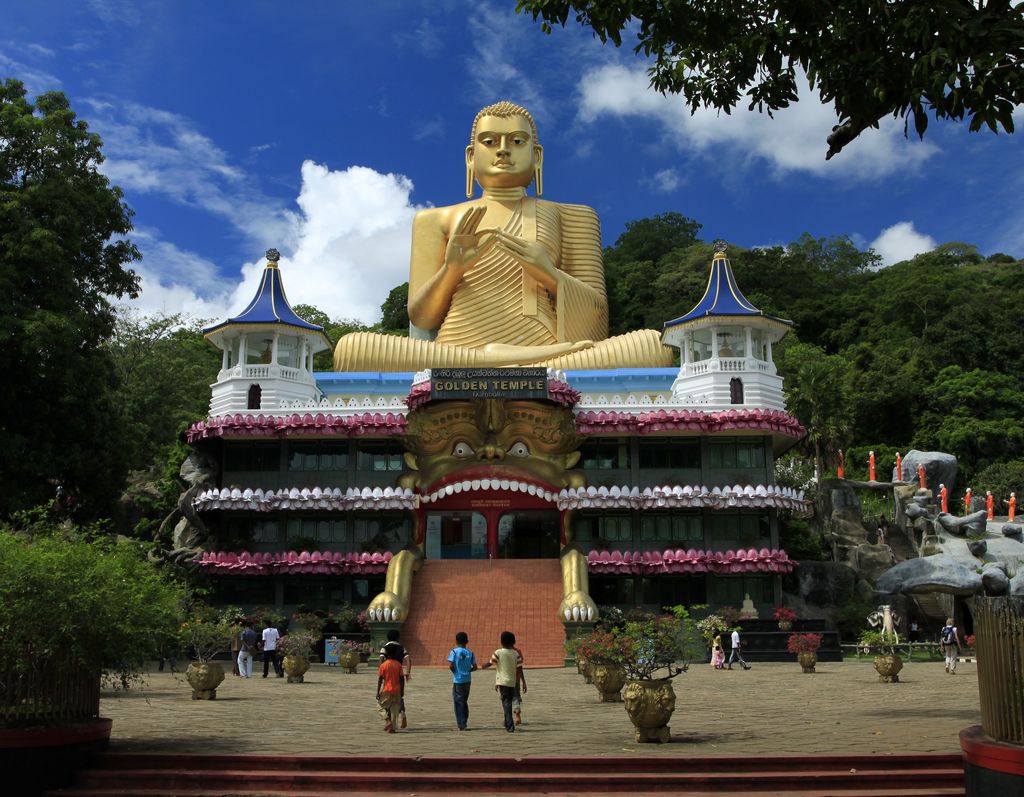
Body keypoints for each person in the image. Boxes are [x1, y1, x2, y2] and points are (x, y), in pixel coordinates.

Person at [332, 101, 672, 372]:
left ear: (536, 156)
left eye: (517, 141)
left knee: (654, 346)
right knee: (351, 349)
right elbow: (422, 318)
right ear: (471, 156)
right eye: (490, 141)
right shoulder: (435, 219)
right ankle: (487, 364)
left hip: (549, 354)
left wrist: (551, 276)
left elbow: (596, 320)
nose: (503, 150)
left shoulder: (573, 216)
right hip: (454, 353)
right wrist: (451, 270)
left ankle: (493, 365)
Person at [481, 631, 526, 733]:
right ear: (513, 642)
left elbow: (491, 663)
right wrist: (520, 682)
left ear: (501, 642)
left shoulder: (498, 652)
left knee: (506, 703)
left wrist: (483, 666)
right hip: (513, 682)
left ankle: (510, 725)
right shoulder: (516, 654)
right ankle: (507, 722)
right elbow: (519, 669)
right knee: (512, 700)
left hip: (502, 682)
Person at [379, 629, 412, 729]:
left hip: (388, 675)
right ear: (398, 638)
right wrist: (408, 672)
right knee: (399, 696)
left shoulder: (385, 648)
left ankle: (387, 720)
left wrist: (382, 671)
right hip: (399, 673)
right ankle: (402, 712)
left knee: (386, 699)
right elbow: (408, 659)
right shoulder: (402, 648)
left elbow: (381, 660)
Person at [447, 631, 478, 731]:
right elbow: (475, 667)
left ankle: (462, 723)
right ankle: (464, 720)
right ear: (467, 641)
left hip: (458, 680)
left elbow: (451, 665)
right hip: (467, 680)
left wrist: (456, 672)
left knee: (458, 702)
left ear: (456, 641)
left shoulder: (454, 652)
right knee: (464, 701)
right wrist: (468, 670)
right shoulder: (470, 652)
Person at [376, 654, 404, 733]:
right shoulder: (398, 664)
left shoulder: (383, 665)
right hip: (397, 690)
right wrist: (402, 690)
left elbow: (380, 679)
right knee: (394, 709)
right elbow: (402, 679)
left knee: (380, 706)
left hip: (387, 689)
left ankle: (388, 721)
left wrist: (377, 692)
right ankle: (393, 728)